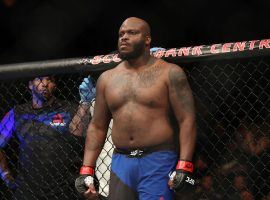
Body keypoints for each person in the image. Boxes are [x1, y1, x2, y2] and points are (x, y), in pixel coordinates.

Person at [75, 17, 197, 200]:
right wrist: (87, 169)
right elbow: (97, 126)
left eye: (132, 33)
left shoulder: (169, 73)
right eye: (121, 34)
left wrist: (184, 164)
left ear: (147, 39)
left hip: (158, 159)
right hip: (120, 162)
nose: (124, 37)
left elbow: (187, 119)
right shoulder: (107, 79)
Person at [0, 75, 96, 200]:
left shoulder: (68, 108)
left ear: (54, 85)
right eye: (39, 79)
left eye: (49, 80)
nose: (44, 83)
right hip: (27, 192)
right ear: (30, 84)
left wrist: (84, 104)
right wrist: (6, 175)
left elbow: (80, 135)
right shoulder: (19, 112)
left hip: (63, 191)